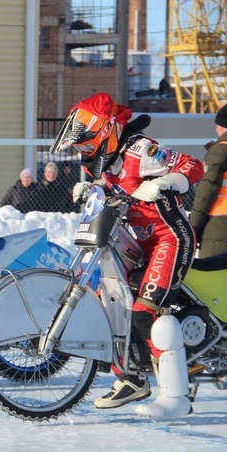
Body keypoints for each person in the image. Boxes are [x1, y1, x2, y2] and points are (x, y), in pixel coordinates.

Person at [50, 92, 204, 419]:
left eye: (85, 144)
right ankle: (130, 377)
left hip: (170, 239)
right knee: (112, 303)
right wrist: (92, 192)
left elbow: (193, 165)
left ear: (106, 132)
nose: (83, 152)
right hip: (142, 244)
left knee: (143, 310)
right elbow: (114, 194)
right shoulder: (108, 164)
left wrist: (166, 183)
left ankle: (176, 395)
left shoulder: (141, 150)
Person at [189, 103, 227, 259]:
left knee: (216, 278)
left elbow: (206, 191)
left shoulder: (221, 150)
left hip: (219, 225)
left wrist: (193, 227)